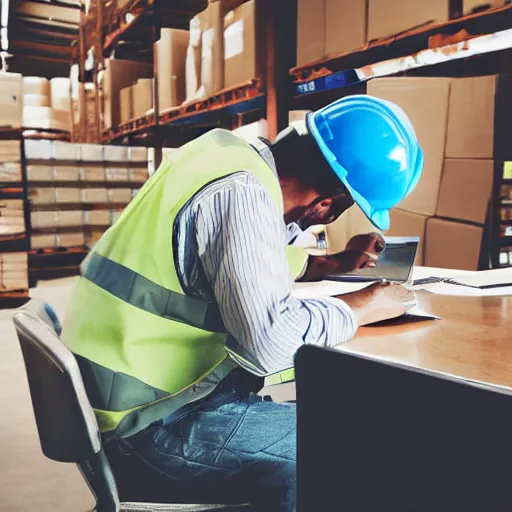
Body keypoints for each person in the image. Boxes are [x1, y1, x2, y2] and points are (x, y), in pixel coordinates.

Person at [61, 95, 423, 511]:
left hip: (125, 398)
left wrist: (329, 263)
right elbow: (269, 343)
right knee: (353, 451)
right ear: (328, 202)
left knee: (338, 423)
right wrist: (363, 305)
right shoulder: (243, 192)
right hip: (150, 424)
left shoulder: (223, 151)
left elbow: (238, 255)